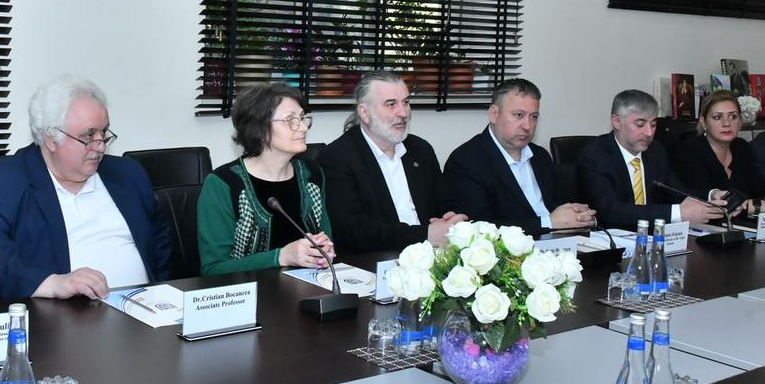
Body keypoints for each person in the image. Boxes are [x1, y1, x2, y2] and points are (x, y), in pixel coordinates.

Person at [0, 77, 169, 302]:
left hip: (142, 311)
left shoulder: (128, 174)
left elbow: (160, 242)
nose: (101, 145)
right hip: (57, 318)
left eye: (104, 132)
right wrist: (53, 284)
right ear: (51, 139)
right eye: (89, 135)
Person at [318, 71, 466, 253]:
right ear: (365, 113)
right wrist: (425, 235)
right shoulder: (337, 158)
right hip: (374, 262)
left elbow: (445, 202)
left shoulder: (420, 150)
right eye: (391, 104)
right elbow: (353, 232)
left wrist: (449, 219)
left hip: (434, 258)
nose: (403, 113)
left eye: (406, 102)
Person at [198, 83, 334, 274]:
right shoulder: (223, 184)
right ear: (259, 129)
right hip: (249, 291)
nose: (303, 127)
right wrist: (281, 257)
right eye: (290, 120)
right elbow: (213, 270)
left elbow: (326, 239)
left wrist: (325, 250)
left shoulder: (311, 175)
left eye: (303, 118)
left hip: (308, 286)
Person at [444, 78, 595, 235]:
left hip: (560, 241)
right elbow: (478, 228)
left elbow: (553, 205)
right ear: (494, 114)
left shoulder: (540, 156)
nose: (527, 126)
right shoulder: (466, 161)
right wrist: (548, 222)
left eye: (534, 117)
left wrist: (578, 216)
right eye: (519, 115)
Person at [577, 89, 724, 229]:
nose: (649, 133)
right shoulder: (594, 155)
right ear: (616, 122)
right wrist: (677, 213)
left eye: (653, 125)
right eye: (640, 124)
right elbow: (611, 211)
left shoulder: (655, 151)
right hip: (610, 240)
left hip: (653, 237)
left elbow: (677, 192)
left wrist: (711, 196)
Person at [672, 90, 765, 219]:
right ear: (703, 122)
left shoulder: (741, 147)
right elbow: (715, 206)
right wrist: (760, 207)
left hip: (742, 226)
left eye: (733, 117)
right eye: (717, 117)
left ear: (740, 122)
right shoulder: (689, 151)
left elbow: (762, 191)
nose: (726, 123)